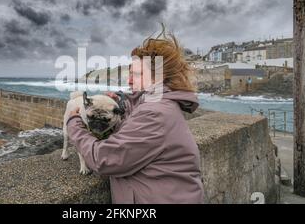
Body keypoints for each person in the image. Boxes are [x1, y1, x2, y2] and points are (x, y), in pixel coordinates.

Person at [65, 30, 204, 204]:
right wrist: (121, 100)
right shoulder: (163, 103)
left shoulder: (155, 113)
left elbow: (103, 159)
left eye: (136, 74)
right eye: (130, 73)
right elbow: (139, 110)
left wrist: (74, 123)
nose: (129, 81)